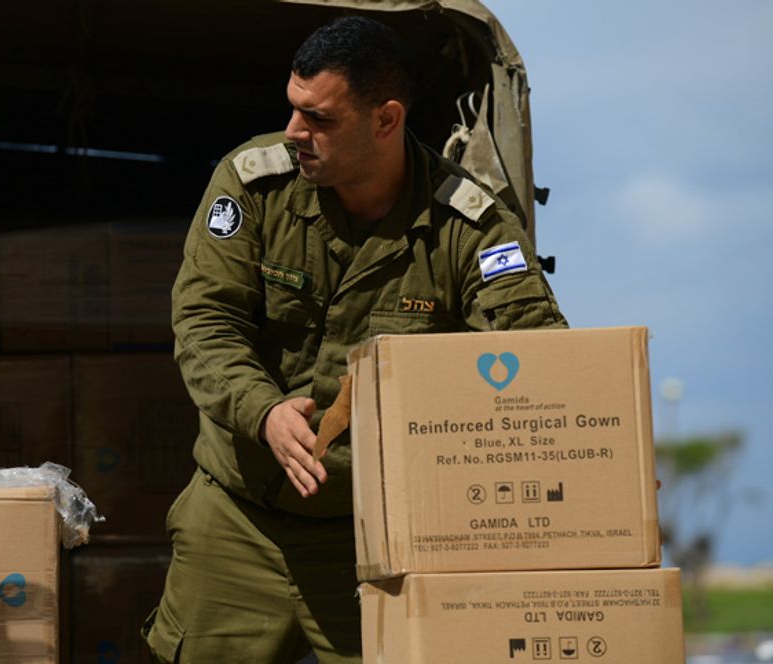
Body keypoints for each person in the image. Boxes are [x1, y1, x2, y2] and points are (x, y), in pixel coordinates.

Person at [143, 15, 567, 663]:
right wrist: (264, 412)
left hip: (376, 540)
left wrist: (600, 453)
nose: (294, 133)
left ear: (386, 121)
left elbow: (539, 358)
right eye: (293, 109)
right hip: (238, 518)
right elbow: (205, 320)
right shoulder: (253, 185)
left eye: (320, 119)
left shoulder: (469, 229)